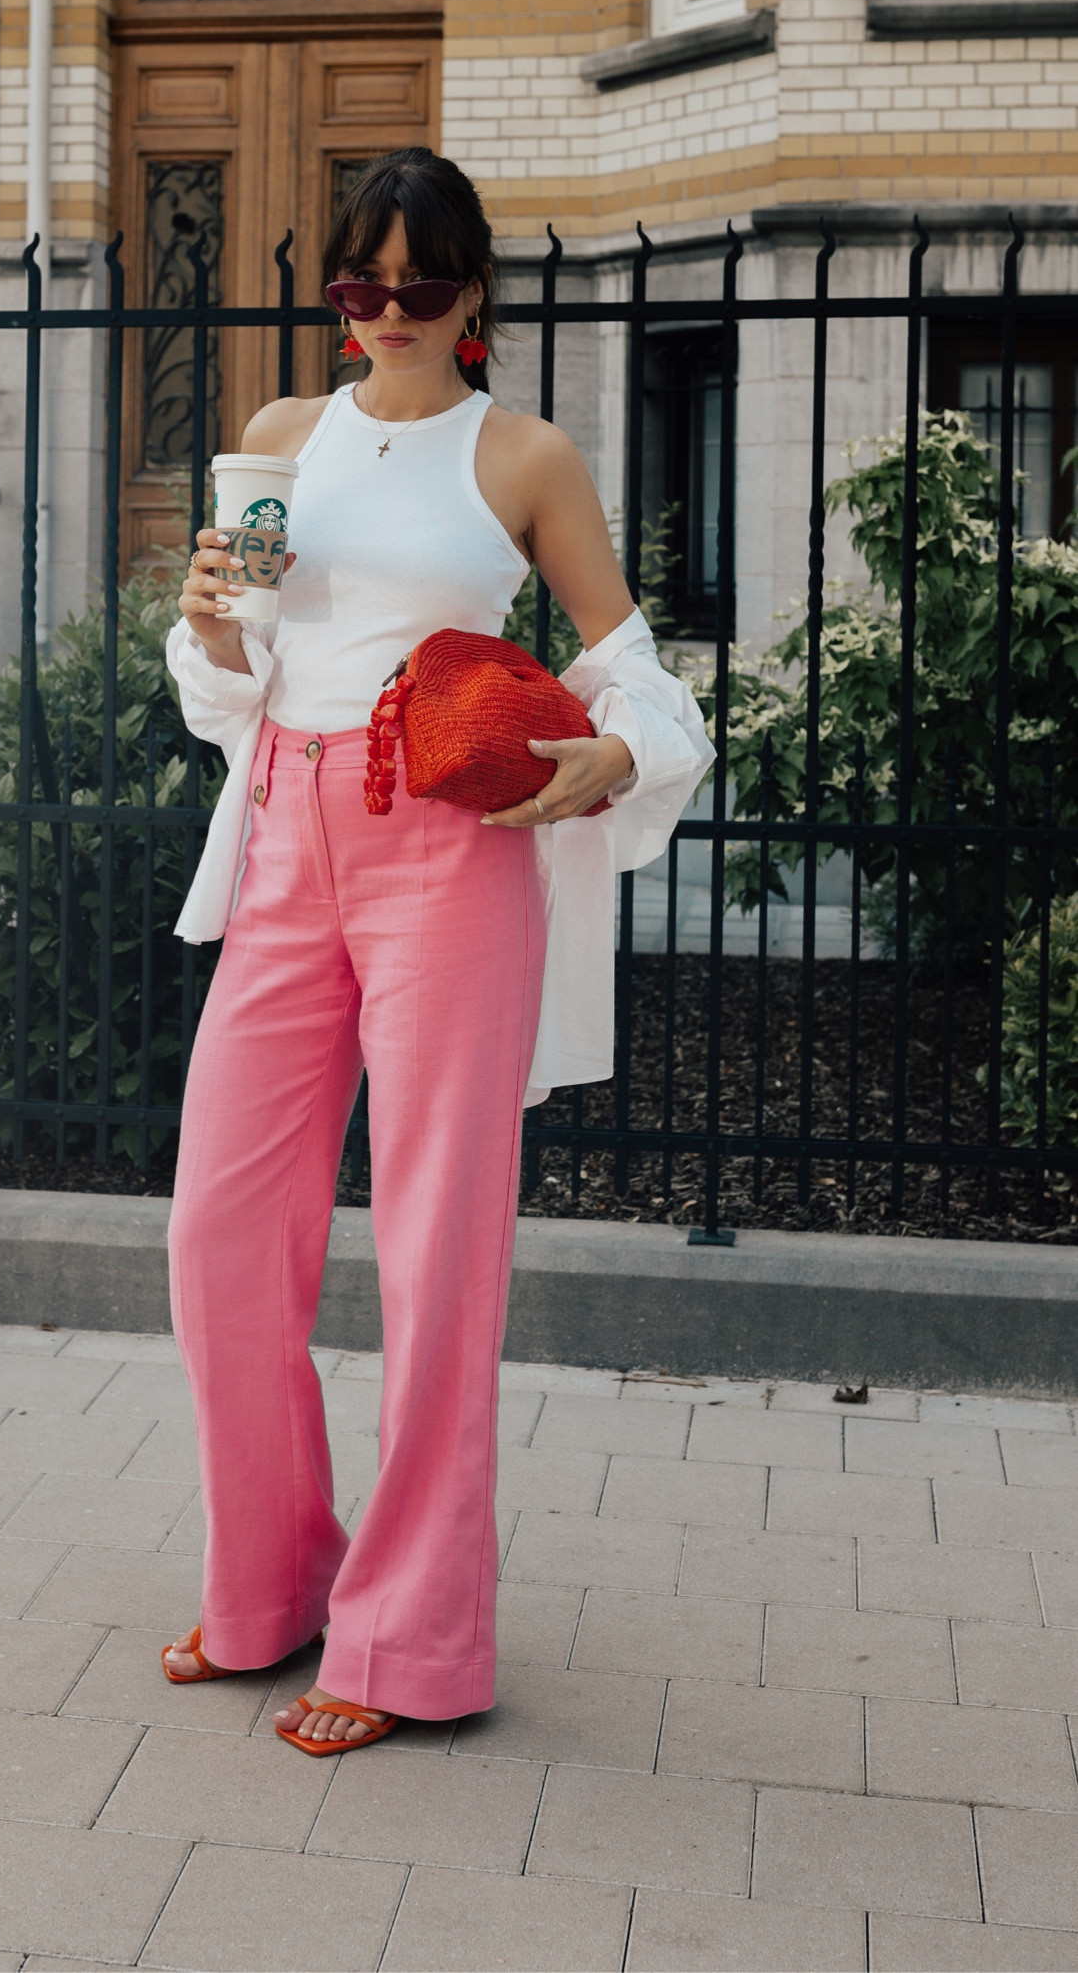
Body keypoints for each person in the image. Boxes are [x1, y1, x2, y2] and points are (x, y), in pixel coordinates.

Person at [162, 147, 713, 1755]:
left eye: (419, 282)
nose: (387, 311)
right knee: (217, 1226)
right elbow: (238, 677)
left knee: (434, 1246)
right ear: (334, 293)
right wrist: (205, 626)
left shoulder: (522, 456)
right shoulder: (275, 444)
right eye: (358, 284)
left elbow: (632, 671)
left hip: (446, 858)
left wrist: (622, 758)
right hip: (285, 828)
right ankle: (270, 1585)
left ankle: (407, 1641)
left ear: (470, 292)